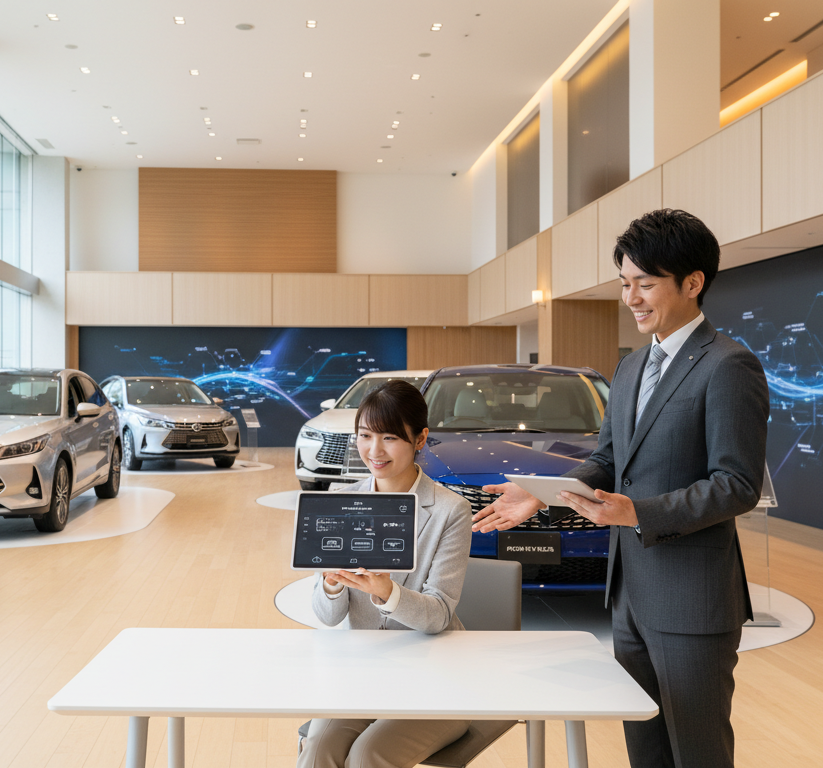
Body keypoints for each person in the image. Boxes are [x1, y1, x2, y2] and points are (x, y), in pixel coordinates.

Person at [473, 209, 769, 768]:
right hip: (628, 593)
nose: (631, 297)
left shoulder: (729, 365)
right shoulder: (631, 367)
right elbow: (610, 458)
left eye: (645, 284)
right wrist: (548, 492)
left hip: (691, 598)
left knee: (698, 750)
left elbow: (737, 485)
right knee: (645, 746)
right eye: (625, 283)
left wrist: (639, 512)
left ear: (692, 283)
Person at [299, 379, 474, 768]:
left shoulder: (451, 511)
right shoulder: (341, 503)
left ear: (420, 439)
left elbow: (439, 614)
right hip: (364, 673)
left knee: (368, 755)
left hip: (438, 676)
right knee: (317, 751)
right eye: (364, 436)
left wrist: (386, 593)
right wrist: (329, 583)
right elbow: (328, 617)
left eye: (390, 437)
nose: (374, 451)